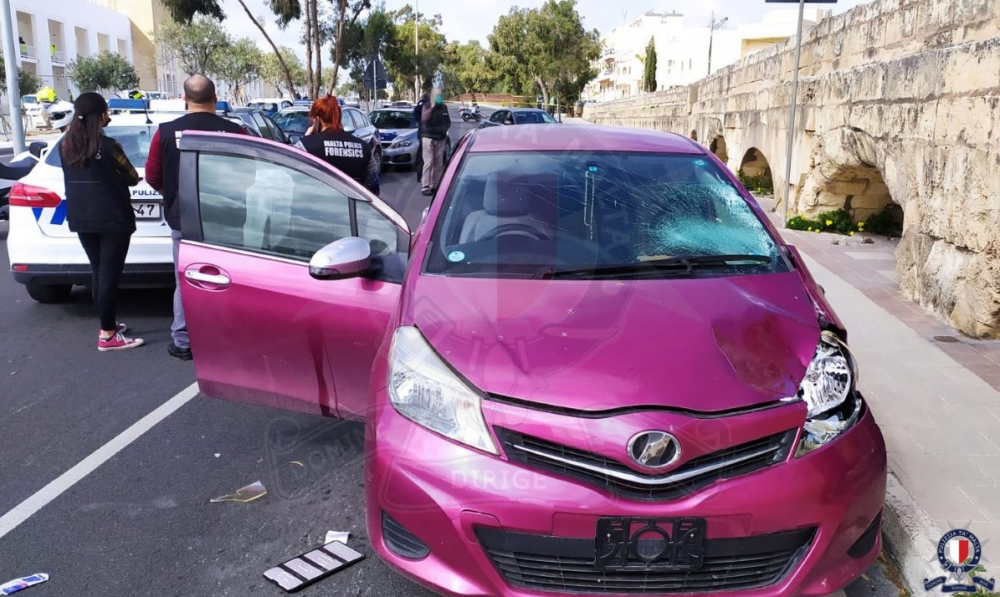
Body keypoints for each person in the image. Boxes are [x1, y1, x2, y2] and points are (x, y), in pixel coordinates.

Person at [145, 74, 245, 362]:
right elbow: (250, 174)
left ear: (184, 98)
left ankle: (183, 340)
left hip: (183, 218)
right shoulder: (235, 131)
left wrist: (175, 193)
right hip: (227, 217)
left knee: (185, 280)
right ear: (215, 99)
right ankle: (229, 337)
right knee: (229, 278)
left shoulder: (164, 132)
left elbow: (153, 175)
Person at [60, 93, 144, 351]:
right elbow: (131, 176)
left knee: (98, 271)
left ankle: (107, 324)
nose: (108, 116)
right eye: (106, 112)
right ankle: (108, 334)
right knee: (109, 274)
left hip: (81, 217)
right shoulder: (108, 147)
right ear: (100, 115)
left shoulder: (66, 147)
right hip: (113, 219)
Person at [294, 95, 380, 195]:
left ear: (317, 119)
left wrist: (306, 138)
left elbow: (289, 169)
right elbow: (373, 186)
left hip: (316, 206)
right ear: (339, 117)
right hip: (352, 208)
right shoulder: (363, 148)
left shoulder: (306, 146)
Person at [420, 87, 450, 197]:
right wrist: (431, 107)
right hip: (428, 138)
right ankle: (425, 185)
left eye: (440, 95)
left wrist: (444, 130)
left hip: (440, 138)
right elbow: (424, 118)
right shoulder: (426, 106)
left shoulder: (444, 107)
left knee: (438, 163)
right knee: (429, 162)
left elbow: (447, 122)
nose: (439, 97)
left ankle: (434, 185)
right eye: (436, 95)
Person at [412, 82, 432, 183]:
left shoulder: (423, 103)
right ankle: (422, 175)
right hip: (425, 134)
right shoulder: (424, 103)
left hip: (424, 133)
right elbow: (415, 114)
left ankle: (422, 175)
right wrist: (422, 122)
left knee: (423, 155)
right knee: (425, 156)